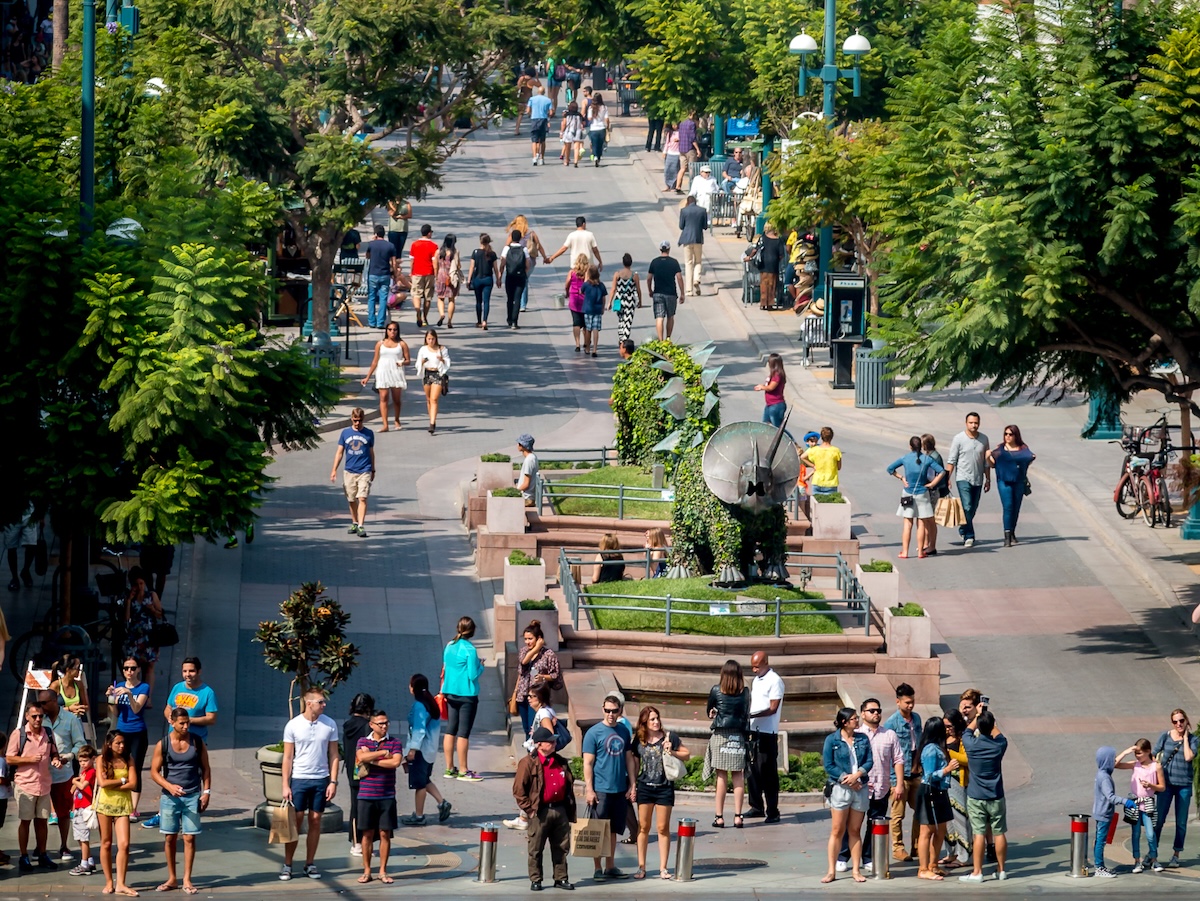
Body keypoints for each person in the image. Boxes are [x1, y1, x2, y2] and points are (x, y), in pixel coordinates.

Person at [837, 698, 903, 874]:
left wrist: (899, 784)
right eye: (872, 710)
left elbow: (898, 759)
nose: (876, 713)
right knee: (852, 826)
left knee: (874, 825)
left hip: (881, 787)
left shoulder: (889, 734)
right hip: (858, 787)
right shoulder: (855, 733)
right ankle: (842, 857)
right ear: (863, 713)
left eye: (878, 710)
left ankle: (868, 857)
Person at [279, 686, 339, 881]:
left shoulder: (329, 724)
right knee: (295, 821)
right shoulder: (293, 725)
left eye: (324, 702)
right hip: (299, 778)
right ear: (309, 703)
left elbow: (334, 755)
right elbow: (288, 757)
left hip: (320, 779)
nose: (324, 705)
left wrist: (333, 781)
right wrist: (285, 785)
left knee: (315, 820)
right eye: (320, 702)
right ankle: (288, 864)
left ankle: (309, 863)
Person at [149, 708, 212, 894]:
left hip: (192, 795)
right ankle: (172, 878)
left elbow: (206, 768)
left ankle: (187, 879)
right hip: (170, 797)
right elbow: (154, 771)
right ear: (172, 722)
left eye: (187, 723)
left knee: (190, 837)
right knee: (170, 837)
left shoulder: (197, 742)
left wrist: (206, 792)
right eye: (182, 723)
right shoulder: (164, 744)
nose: (185, 726)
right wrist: (169, 786)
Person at [514, 725, 577, 891]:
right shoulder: (528, 763)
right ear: (539, 744)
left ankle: (561, 878)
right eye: (550, 741)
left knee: (561, 847)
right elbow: (519, 790)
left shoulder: (560, 762)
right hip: (540, 811)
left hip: (560, 809)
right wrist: (530, 810)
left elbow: (569, 785)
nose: (554, 743)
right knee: (536, 848)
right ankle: (536, 879)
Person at [631, 706, 688, 880]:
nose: (656, 722)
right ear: (644, 723)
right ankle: (641, 867)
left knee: (663, 828)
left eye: (657, 718)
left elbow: (687, 754)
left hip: (664, 787)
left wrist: (672, 750)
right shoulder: (639, 740)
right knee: (643, 827)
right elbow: (634, 764)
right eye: (652, 719)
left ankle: (663, 867)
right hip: (645, 787)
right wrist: (632, 786)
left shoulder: (669, 737)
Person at [582, 694, 636, 879]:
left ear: (620, 711)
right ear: (602, 709)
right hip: (601, 790)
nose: (610, 714)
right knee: (598, 829)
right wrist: (589, 789)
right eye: (607, 710)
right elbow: (587, 763)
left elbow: (629, 758)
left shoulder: (623, 731)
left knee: (614, 830)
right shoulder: (593, 733)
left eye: (614, 711)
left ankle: (610, 866)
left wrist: (632, 784)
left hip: (619, 788)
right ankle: (598, 868)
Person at [6, 702, 61, 871]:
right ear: (27, 717)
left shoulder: (48, 734)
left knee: (42, 821)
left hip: (44, 784)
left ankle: (42, 854)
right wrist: (29, 759)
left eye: (40, 716)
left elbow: (54, 752)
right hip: (25, 784)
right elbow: (9, 758)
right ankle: (24, 856)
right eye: (34, 716)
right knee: (25, 821)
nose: (38, 719)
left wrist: (56, 760)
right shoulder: (19, 734)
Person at [821, 708, 873, 883]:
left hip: (860, 786)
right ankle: (831, 870)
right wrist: (846, 778)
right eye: (853, 719)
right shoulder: (832, 740)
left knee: (855, 830)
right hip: (841, 787)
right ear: (844, 722)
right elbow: (828, 765)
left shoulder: (863, 739)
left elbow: (869, 761)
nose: (856, 721)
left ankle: (856, 870)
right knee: (837, 829)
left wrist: (857, 775)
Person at [959, 709, 1009, 882]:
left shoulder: (971, 744)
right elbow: (999, 734)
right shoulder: (999, 746)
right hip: (996, 795)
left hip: (976, 796)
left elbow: (967, 731)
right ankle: (1001, 870)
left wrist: (978, 716)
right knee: (999, 832)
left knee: (979, 833)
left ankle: (977, 872)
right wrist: (989, 720)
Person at [354, 709, 402, 883]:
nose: (384, 726)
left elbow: (395, 762)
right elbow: (360, 756)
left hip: (387, 794)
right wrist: (382, 754)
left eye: (386, 722)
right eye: (380, 723)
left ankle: (383, 871)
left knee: (384, 834)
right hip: (366, 795)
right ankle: (367, 870)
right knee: (366, 834)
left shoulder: (395, 742)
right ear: (371, 725)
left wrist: (371, 759)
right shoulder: (362, 741)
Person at [704, 660, 750, 829]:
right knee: (738, 775)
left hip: (721, 735)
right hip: (737, 735)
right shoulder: (745, 692)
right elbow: (746, 714)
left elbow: (709, 711)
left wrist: (714, 712)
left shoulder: (716, 690)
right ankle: (738, 816)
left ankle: (719, 817)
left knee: (721, 776)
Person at [39, 690, 84, 859]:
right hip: (41, 773)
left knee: (63, 812)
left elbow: (80, 743)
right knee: (40, 813)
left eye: (44, 703)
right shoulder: (38, 719)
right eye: (40, 703)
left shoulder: (70, 719)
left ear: (53, 702)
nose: (41, 707)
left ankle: (64, 845)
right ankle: (40, 848)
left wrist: (68, 757)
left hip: (63, 774)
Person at [402, 675, 451, 826]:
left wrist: (412, 751)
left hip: (420, 751)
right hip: (430, 750)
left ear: (413, 687)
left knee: (419, 785)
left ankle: (419, 816)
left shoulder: (419, 706)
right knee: (424, 779)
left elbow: (419, 730)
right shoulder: (431, 703)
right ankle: (442, 802)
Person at [886, 436, 946, 559]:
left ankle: (905, 552)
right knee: (921, 523)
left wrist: (901, 478)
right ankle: (920, 552)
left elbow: (890, 469)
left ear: (910, 446)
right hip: (923, 493)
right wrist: (933, 483)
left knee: (907, 524)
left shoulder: (905, 458)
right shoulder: (926, 459)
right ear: (921, 447)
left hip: (908, 493)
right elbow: (942, 471)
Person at [441, 616, 485, 782]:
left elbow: (446, 666)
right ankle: (464, 770)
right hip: (467, 694)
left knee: (451, 728)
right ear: (472, 632)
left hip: (450, 692)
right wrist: (481, 665)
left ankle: (449, 768)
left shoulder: (449, 645)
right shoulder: (470, 650)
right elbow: (472, 674)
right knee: (463, 733)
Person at [94, 731, 137, 896]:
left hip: (123, 805)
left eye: (123, 743)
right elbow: (102, 783)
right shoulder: (101, 760)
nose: (122, 746)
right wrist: (122, 780)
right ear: (109, 744)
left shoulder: (128, 759)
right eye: (118, 743)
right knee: (105, 842)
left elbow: (133, 783)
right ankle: (109, 881)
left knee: (124, 844)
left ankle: (121, 883)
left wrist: (116, 784)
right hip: (105, 805)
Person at [883, 682, 923, 861]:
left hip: (916, 773)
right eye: (907, 702)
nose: (911, 705)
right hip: (900, 776)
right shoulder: (891, 724)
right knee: (898, 814)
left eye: (912, 701)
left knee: (921, 810)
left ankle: (917, 845)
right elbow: (888, 753)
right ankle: (898, 848)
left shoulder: (917, 719)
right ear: (898, 702)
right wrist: (894, 781)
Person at [107, 658, 150, 821]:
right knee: (119, 766)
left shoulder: (144, 687)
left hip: (137, 731)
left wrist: (129, 694)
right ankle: (118, 803)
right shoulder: (118, 686)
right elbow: (115, 712)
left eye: (132, 668)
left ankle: (133, 808)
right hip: (121, 731)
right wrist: (111, 698)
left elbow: (137, 708)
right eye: (126, 668)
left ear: (138, 669)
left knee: (135, 767)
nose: (129, 671)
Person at [913, 718, 956, 881]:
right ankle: (923, 868)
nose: (946, 730)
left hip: (940, 791)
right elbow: (929, 776)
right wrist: (947, 769)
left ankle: (933, 864)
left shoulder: (938, 747)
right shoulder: (931, 749)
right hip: (930, 791)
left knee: (941, 830)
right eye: (943, 728)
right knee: (927, 831)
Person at [1152, 709, 1196, 867]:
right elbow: (1153, 754)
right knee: (1159, 820)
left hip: (1184, 785)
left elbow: (1188, 757)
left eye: (1181, 721)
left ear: (1186, 721)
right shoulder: (1165, 736)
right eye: (1175, 722)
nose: (1179, 724)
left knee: (1181, 822)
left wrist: (1184, 739)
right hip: (1166, 785)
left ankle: (1176, 854)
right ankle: (1152, 852)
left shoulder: (1193, 739)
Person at [1115, 739, 1166, 873]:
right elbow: (1115, 764)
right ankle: (1137, 861)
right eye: (1135, 753)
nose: (1137, 756)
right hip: (1134, 804)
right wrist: (1125, 752)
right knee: (1135, 833)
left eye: (1139, 753)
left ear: (1148, 751)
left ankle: (1154, 859)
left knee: (1150, 834)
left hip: (1148, 803)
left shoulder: (1156, 766)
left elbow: (1162, 787)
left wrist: (1151, 785)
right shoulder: (1135, 765)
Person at [746, 651, 784, 823]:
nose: (754, 670)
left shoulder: (775, 680)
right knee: (752, 771)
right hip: (754, 731)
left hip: (768, 733)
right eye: (752, 666)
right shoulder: (756, 680)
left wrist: (751, 715)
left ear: (766, 663)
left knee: (768, 773)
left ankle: (773, 811)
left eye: (757, 666)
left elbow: (773, 708)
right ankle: (756, 806)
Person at [511, 621, 561, 745]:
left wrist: (543, 677)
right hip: (523, 694)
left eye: (530, 639)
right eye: (526, 639)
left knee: (534, 727)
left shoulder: (549, 655)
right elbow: (523, 662)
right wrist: (536, 649)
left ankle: (534, 754)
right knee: (526, 728)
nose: (527, 642)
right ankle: (530, 755)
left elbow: (556, 675)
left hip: (538, 695)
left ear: (538, 639)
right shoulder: (524, 651)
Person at [946, 412, 991, 548]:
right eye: (971, 423)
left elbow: (986, 462)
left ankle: (963, 527)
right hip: (962, 478)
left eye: (976, 423)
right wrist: (947, 478)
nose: (974, 425)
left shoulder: (984, 439)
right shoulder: (958, 439)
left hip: (978, 478)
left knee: (973, 508)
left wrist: (988, 479)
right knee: (967, 506)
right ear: (966, 423)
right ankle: (969, 536)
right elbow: (951, 460)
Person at [329, 408, 375, 536]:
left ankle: (361, 525)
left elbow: (371, 453)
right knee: (351, 499)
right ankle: (354, 522)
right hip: (349, 471)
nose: (357, 423)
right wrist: (334, 470)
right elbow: (339, 453)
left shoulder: (369, 433)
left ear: (363, 419)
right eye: (355, 420)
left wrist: (373, 469)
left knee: (362, 497)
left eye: (359, 420)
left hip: (364, 470)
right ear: (351, 419)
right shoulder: (345, 433)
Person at [987, 425, 1036, 547]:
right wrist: (987, 457)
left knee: (1016, 507)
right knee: (1008, 507)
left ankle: (1012, 531)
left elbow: (1029, 458)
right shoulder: (1000, 450)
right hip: (1004, 481)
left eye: (1010, 434)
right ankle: (1007, 536)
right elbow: (993, 465)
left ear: (1016, 435)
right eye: (1006, 434)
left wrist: (1027, 461)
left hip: (1019, 481)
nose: (1007, 436)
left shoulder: (1023, 449)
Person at [360, 323, 411, 431]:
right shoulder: (380, 344)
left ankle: (397, 420)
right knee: (383, 397)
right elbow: (375, 361)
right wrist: (367, 377)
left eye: (395, 329)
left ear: (398, 331)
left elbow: (408, 360)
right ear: (386, 330)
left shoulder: (401, 344)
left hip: (396, 372)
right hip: (382, 372)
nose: (392, 331)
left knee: (396, 399)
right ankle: (385, 424)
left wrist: (402, 362)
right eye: (390, 329)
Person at [342, 693, 374, 857]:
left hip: (351, 770)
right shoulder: (367, 726)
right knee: (366, 807)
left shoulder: (347, 725)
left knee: (355, 806)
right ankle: (362, 843)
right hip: (364, 771)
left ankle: (356, 843)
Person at [122, 568, 163, 696]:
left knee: (149, 666)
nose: (140, 587)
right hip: (134, 637)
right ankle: (134, 693)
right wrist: (129, 601)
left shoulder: (151, 596)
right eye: (137, 584)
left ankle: (148, 697)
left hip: (149, 636)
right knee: (132, 666)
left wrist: (151, 609)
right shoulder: (129, 597)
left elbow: (160, 615)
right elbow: (126, 618)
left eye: (141, 583)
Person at [941, 710, 972, 870]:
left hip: (958, 782)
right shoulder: (944, 737)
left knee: (960, 818)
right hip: (944, 782)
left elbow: (967, 759)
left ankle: (964, 856)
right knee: (948, 820)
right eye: (945, 726)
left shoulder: (964, 737)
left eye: (950, 726)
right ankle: (951, 852)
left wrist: (949, 753)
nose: (947, 729)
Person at [1093, 746, 1126, 878]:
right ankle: (1099, 867)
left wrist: (1125, 751)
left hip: (1100, 812)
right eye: (1113, 759)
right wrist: (1125, 802)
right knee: (1101, 841)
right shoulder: (1105, 777)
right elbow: (1110, 797)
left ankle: (1100, 865)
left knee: (1100, 840)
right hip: (1104, 813)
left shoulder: (1101, 773)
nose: (1114, 762)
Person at [68, 744, 98, 876]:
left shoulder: (91, 772)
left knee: (83, 837)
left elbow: (82, 785)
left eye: (85, 761)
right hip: (78, 807)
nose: (83, 763)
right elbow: (73, 790)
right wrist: (75, 783)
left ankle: (84, 863)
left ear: (92, 759)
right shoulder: (83, 773)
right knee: (79, 836)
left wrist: (75, 781)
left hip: (86, 808)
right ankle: (89, 860)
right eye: (80, 761)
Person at [414, 329, 451, 435]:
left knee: (434, 399)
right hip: (427, 373)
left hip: (437, 374)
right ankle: (431, 417)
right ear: (426, 339)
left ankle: (432, 423)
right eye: (429, 339)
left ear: (436, 339)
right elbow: (417, 363)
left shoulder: (441, 349)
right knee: (429, 399)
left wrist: (442, 360)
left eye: (433, 339)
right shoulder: (423, 349)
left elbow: (447, 362)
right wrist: (422, 362)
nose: (431, 341)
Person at [646, 240, 684, 340]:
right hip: (671, 293)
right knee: (670, 316)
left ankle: (660, 339)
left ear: (660, 250)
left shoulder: (654, 262)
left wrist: (650, 290)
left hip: (658, 293)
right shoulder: (674, 262)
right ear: (669, 249)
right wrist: (682, 293)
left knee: (659, 317)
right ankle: (668, 338)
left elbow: (649, 278)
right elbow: (679, 277)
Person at [363, 224, 398, 329]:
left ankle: (371, 322)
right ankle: (380, 322)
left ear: (376, 234)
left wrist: (372, 241)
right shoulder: (390, 246)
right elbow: (394, 262)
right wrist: (395, 274)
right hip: (385, 274)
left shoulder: (371, 244)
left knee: (372, 298)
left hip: (373, 274)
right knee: (383, 299)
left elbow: (367, 256)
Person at [508, 215, 546, 312]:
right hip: (530, 262)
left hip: (516, 263)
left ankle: (518, 301)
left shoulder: (514, 234)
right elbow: (539, 246)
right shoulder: (531, 233)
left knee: (519, 281)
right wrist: (545, 257)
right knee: (524, 281)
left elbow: (506, 246)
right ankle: (522, 304)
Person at [920, 434, 948, 556]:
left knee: (930, 519)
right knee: (927, 519)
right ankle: (927, 544)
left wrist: (930, 484)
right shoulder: (932, 455)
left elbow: (935, 474)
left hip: (933, 490)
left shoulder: (933, 457)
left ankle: (932, 546)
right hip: (933, 488)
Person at [744, 224, 784, 309]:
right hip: (773, 264)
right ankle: (770, 304)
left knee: (764, 283)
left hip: (764, 263)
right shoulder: (778, 240)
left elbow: (755, 249)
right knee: (772, 284)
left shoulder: (763, 238)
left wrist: (749, 257)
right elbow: (781, 255)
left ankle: (763, 303)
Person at [467, 233, 500, 329]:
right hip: (488, 279)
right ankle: (485, 321)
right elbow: (495, 268)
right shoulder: (492, 254)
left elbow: (472, 267)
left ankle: (478, 321)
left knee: (478, 301)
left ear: (480, 241)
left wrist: (469, 280)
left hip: (477, 279)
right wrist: (498, 279)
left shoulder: (475, 252)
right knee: (486, 301)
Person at [408, 224, 438, 328]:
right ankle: (425, 317)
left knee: (416, 294)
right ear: (429, 233)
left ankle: (418, 312)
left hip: (417, 272)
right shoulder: (434, 246)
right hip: (429, 273)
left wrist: (411, 272)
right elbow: (435, 263)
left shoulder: (414, 244)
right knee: (428, 297)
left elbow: (412, 260)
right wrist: (436, 274)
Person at [500, 229, 531, 329]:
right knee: (517, 298)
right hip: (520, 277)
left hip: (510, 276)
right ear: (520, 238)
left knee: (510, 298)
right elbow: (528, 264)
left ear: (511, 238)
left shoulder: (506, 249)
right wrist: (524, 273)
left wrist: (500, 275)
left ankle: (509, 318)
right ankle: (514, 322)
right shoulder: (524, 249)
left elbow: (502, 263)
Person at [677, 195, 708, 297]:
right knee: (698, 261)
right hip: (698, 239)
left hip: (686, 239)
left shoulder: (684, 211)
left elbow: (681, 226)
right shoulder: (702, 210)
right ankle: (696, 279)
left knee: (688, 263)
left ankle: (689, 290)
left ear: (688, 202)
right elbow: (705, 226)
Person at [609, 254, 641, 347]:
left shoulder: (617, 274)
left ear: (623, 263)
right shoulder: (634, 276)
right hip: (630, 300)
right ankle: (625, 340)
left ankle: (620, 339)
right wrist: (640, 301)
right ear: (631, 263)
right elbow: (638, 290)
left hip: (619, 300)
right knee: (628, 321)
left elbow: (613, 289)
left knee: (621, 320)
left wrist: (609, 302)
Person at [3, 502, 38, 590]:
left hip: (29, 514)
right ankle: (14, 578)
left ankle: (25, 570)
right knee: (11, 547)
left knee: (32, 544)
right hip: (10, 516)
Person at [800, 427, 841, 496]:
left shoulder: (813, 450)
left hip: (817, 482)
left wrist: (813, 466)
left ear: (821, 438)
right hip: (831, 483)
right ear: (831, 437)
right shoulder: (836, 451)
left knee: (816, 505)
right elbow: (839, 467)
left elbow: (802, 457)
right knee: (830, 505)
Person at [433, 234, 462, 328]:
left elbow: (436, 265)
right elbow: (458, 266)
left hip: (441, 275)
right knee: (451, 299)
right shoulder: (455, 252)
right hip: (451, 276)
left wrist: (436, 276)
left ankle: (442, 314)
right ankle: (449, 320)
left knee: (440, 298)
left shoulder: (439, 252)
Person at [754, 354, 788, 430]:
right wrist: (762, 386)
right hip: (770, 404)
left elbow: (771, 387)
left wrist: (762, 387)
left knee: (778, 429)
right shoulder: (773, 375)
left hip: (776, 405)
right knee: (765, 424)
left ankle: (791, 441)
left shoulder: (777, 375)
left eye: (770, 362)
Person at [581, 264, 607, 356]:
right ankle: (595, 349)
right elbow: (604, 298)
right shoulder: (601, 285)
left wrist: (585, 279)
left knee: (588, 329)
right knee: (595, 329)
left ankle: (587, 348)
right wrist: (603, 307)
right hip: (597, 309)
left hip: (588, 309)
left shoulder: (586, 284)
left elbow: (581, 291)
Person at [565, 254, 589, 352]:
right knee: (585, 323)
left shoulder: (572, 272)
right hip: (584, 299)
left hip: (573, 298)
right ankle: (586, 342)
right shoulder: (587, 273)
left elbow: (567, 284)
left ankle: (577, 344)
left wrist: (567, 293)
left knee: (576, 322)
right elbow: (587, 284)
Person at [527, 86, 553, 164]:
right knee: (542, 140)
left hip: (534, 119)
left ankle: (534, 157)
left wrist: (531, 114)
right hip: (543, 119)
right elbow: (551, 112)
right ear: (544, 92)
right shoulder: (548, 100)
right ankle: (542, 158)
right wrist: (547, 116)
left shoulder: (532, 99)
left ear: (538, 91)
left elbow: (528, 110)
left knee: (534, 140)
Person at [676, 112, 700, 191]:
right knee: (692, 168)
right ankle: (692, 186)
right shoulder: (692, 124)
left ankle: (678, 186)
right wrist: (698, 149)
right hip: (690, 149)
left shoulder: (682, 124)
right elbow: (692, 138)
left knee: (682, 168)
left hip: (682, 149)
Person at [514, 65, 541, 135]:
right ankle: (536, 128)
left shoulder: (521, 78)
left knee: (520, 114)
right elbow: (539, 85)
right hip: (529, 98)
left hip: (521, 97)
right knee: (533, 114)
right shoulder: (532, 81)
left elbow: (517, 87)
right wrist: (537, 78)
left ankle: (517, 130)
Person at [559, 101, 585, 166]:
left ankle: (566, 160)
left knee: (568, 147)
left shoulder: (567, 115)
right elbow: (583, 123)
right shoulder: (579, 115)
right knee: (576, 147)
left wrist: (561, 132)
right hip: (577, 132)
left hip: (569, 132)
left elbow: (564, 124)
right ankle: (575, 162)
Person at [587, 93, 611, 166]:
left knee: (594, 144)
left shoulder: (591, 107)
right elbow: (606, 119)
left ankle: (595, 156)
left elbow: (589, 118)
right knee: (600, 144)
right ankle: (599, 156)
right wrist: (607, 127)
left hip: (593, 128)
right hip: (602, 128)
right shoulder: (604, 107)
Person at [517, 433, 539, 508]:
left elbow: (526, 484)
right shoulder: (532, 457)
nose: (517, 445)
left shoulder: (529, 460)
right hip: (528, 497)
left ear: (524, 446)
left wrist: (515, 491)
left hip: (527, 498)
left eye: (519, 444)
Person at [661, 124, 681, 193]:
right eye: (673, 124)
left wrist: (679, 140)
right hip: (670, 152)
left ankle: (673, 186)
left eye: (676, 124)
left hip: (677, 153)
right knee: (667, 170)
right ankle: (667, 185)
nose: (675, 126)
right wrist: (664, 152)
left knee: (675, 170)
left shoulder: (680, 132)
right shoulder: (670, 133)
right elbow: (667, 143)